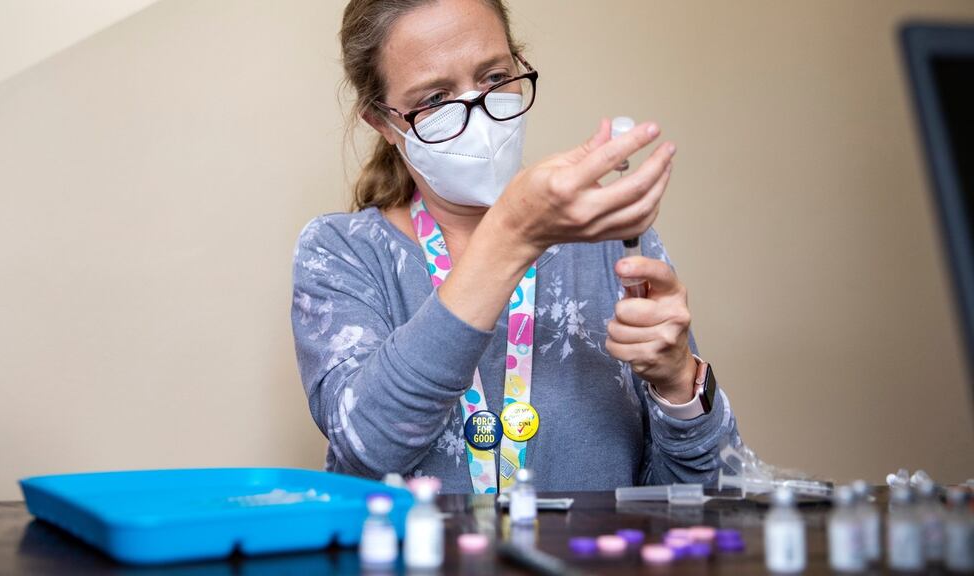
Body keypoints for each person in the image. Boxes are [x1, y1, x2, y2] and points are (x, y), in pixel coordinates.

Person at [292, 0, 740, 494]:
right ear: (382, 122)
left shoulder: (610, 242)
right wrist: (510, 234)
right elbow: (366, 447)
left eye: (493, 77)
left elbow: (705, 496)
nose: (479, 112)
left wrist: (679, 382)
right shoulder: (341, 253)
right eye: (436, 98)